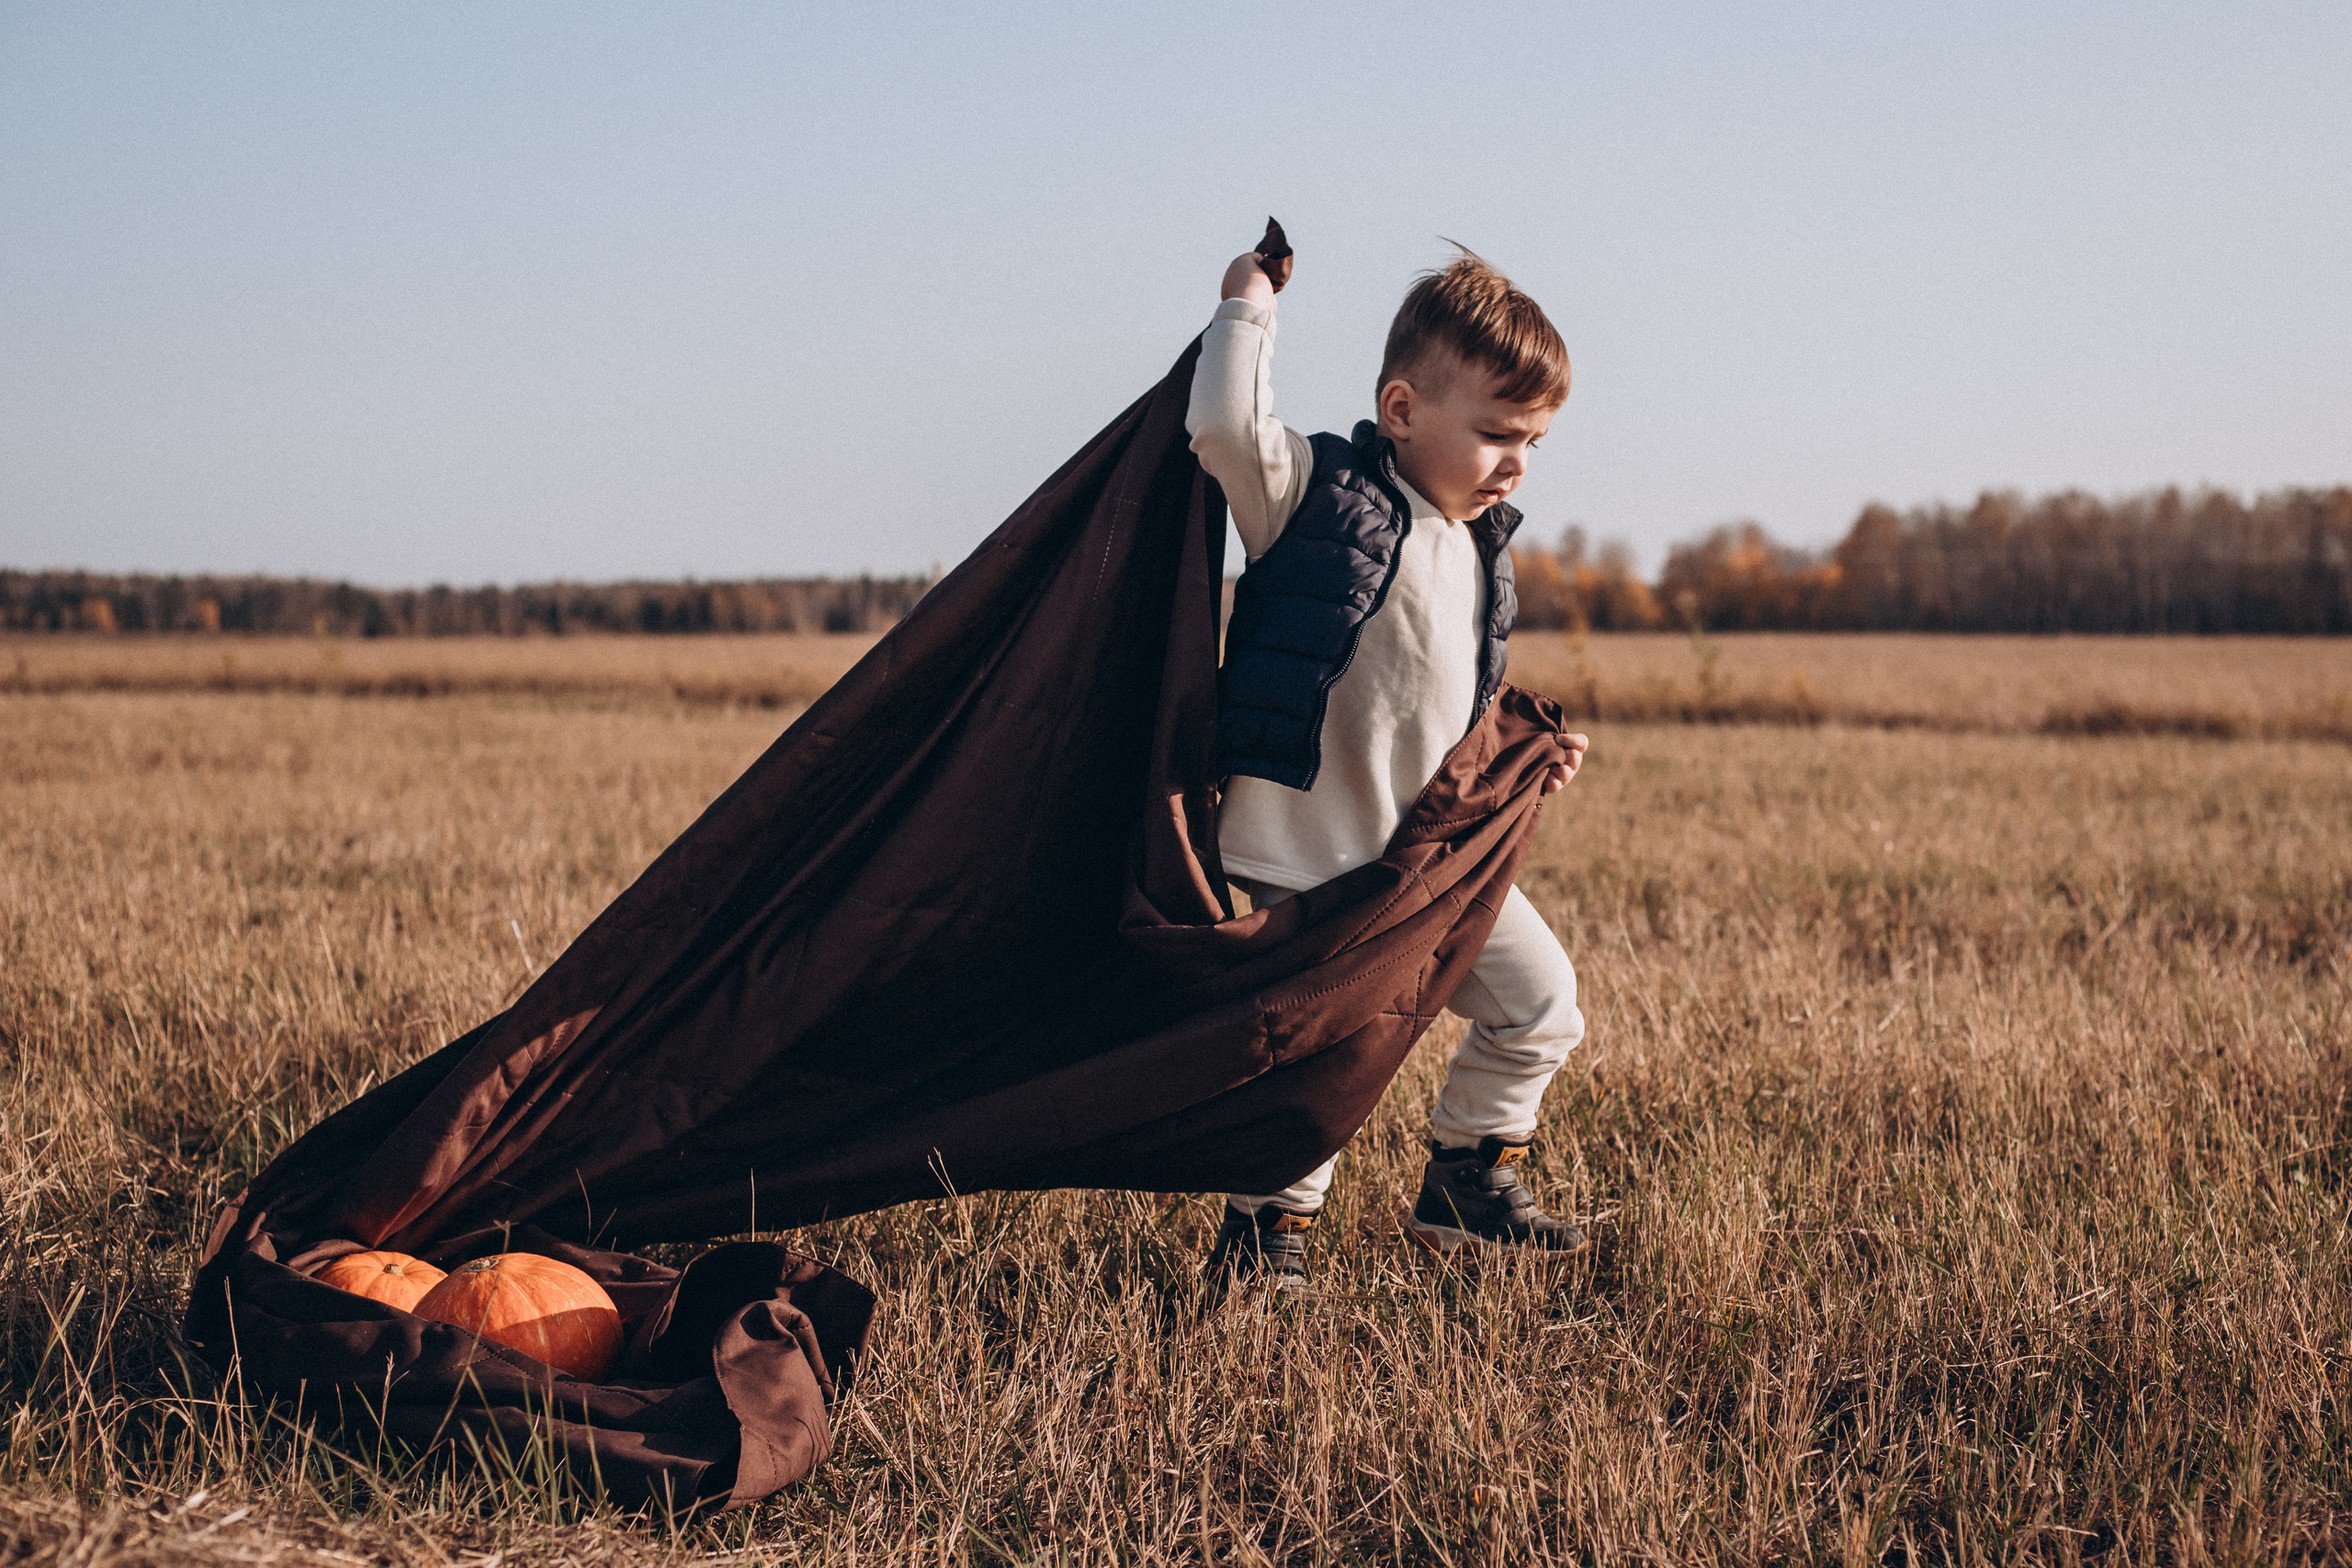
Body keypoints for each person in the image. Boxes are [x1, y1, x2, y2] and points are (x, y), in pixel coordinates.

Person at [1191, 242, 1591, 1290]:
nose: (1516, 462)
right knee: (1325, 1060)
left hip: (1428, 862)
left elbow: (1439, 700)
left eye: (1534, 443)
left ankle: (1467, 1186)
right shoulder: (1315, 496)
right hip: (1310, 859)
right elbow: (1223, 428)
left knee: (1541, 1000)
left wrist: (1523, 756)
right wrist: (1248, 303)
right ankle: (1265, 1244)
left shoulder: (1477, 547)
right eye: (1497, 434)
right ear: (1404, 409)